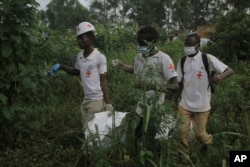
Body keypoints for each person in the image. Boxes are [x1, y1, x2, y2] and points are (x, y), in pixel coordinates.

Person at [112, 26, 178, 150]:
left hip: (155, 107)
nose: (140, 46)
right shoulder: (139, 57)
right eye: (138, 43)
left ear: (153, 42)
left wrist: (150, 87)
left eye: (143, 43)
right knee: (137, 135)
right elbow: (137, 70)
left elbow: (175, 86)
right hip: (140, 105)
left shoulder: (163, 59)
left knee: (149, 139)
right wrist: (122, 66)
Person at [174, 33, 234, 165]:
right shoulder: (182, 61)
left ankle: (210, 143)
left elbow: (229, 70)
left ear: (198, 45)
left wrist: (220, 77)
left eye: (191, 44)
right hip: (184, 104)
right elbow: (179, 83)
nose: (188, 46)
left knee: (200, 134)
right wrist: (175, 100)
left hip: (202, 105)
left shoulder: (207, 59)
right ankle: (184, 159)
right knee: (181, 132)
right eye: (186, 44)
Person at [50, 21, 113, 134]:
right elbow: (76, 71)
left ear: (90, 38)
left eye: (82, 38)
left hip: (96, 100)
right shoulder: (80, 56)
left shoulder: (99, 57)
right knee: (87, 127)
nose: (79, 41)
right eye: (78, 39)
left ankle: (91, 150)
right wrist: (61, 66)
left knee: (90, 130)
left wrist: (108, 103)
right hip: (86, 99)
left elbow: (103, 81)